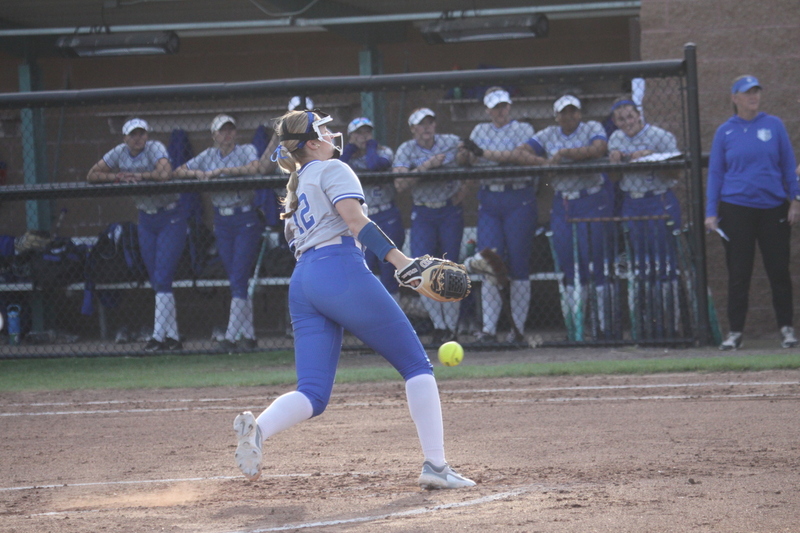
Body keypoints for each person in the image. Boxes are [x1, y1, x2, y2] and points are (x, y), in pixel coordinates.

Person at [232, 108, 475, 490]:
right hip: (339, 270)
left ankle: (258, 429)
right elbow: (356, 222)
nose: (331, 134)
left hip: (304, 281)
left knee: (312, 393)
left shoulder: (296, 186)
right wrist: (404, 265)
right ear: (312, 143)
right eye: (324, 130)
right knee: (416, 365)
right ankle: (437, 466)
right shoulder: (333, 168)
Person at [705, 75, 800, 350]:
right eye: (747, 92)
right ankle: (735, 332)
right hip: (736, 209)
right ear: (735, 98)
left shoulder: (774, 125)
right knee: (739, 273)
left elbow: (789, 166)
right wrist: (711, 212)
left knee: (779, 270)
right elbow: (715, 173)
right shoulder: (725, 132)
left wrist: (796, 200)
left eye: (756, 91)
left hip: (773, 208)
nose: (753, 96)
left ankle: (786, 329)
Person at [509, 95, 610, 339]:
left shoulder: (591, 127)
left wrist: (564, 153)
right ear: (556, 116)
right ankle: (575, 328)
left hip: (591, 199)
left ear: (580, 113)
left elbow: (599, 148)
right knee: (568, 266)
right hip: (563, 201)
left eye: (573, 111)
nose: (569, 116)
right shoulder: (549, 134)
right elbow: (520, 152)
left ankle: (603, 327)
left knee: (595, 263)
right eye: (563, 112)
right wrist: (545, 162)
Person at [87, 118, 185, 352]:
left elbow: (165, 173)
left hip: (170, 216)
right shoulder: (119, 152)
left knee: (163, 276)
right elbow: (92, 174)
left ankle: (157, 338)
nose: (138, 138)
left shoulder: (155, 147)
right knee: (157, 279)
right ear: (125, 138)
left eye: (141, 133)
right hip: (146, 219)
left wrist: (140, 176)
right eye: (133, 134)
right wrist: (118, 177)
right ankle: (173, 338)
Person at [175, 114, 263, 351]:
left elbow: (255, 168)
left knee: (239, 276)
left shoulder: (246, 150)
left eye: (230, 130)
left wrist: (223, 171)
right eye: (222, 131)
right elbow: (179, 171)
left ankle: (232, 337)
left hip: (245, 218)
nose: (227, 134)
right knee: (236, 277)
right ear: (214, 135)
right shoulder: (208, 155)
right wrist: (198, 174)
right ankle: (249, 335)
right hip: (222, 221)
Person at [458, 87, 536, 343]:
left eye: (503, 106)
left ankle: (517, 330)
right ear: (487, 110)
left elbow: (521, 158)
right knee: (489, 261)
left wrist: (483, 154)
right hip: (491, 198)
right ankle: (489, 330)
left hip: (519, 196)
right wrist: (465, 153)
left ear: (509, 106)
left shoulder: (523, 129)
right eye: (495, 107)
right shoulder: (480, 131)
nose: (500, 111)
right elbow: (468, 161)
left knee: (519, 264)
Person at [607, 98, 681, 338]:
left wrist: (653, 157)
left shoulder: (660, 136)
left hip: (658, 197)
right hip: (632, 201)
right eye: (621, 119)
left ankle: (671, 326)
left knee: (664, 265)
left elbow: (676, 173)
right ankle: (648, 327)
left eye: (630, 116)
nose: (627, 122)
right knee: (641, 266)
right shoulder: (615, 139)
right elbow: (615, 179)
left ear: (639, 115)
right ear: (615, 121)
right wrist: (616, 162)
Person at [393, 108, 467, 344]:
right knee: (422, 268)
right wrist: (427, 166)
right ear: (413, 128)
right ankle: (439, 326)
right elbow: (399, 184)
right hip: (423, 210)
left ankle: (451, 328)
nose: (426, 128)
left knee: (451, 269)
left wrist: (464, 188)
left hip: (449, 209)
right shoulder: (406, 149)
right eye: (421, 124)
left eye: (430, 123)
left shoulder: (450, 142)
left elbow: (469, 161)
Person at [340, 116, 404, 302]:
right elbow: (338, 167)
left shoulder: (383, 151)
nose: (363, 136)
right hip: (361, 218)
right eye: (358, 133)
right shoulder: (344, 157)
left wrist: (370, 147)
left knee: (389, 269)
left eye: (367, 132)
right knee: (363, 268)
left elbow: (375, 165)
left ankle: (393, 312)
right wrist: (350, 149)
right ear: (350, 136)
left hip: (386, 214)